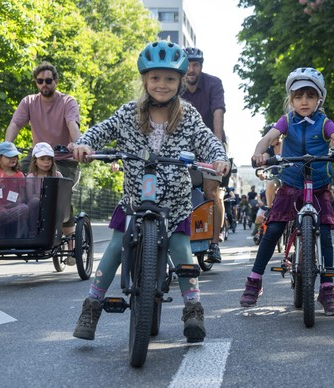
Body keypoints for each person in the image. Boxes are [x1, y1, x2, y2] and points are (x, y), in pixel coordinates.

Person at [71, 41, 229, 343]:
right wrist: (85, 144)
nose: (162, 85)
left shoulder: (189, 115)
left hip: (176, 202)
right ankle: (91, 307)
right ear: (145, 80)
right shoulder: (129, 113)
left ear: (181, 81)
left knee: (183, 252)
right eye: (155, 78)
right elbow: (100, 130)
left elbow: (208, 140)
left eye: (170, 79)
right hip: (134, 199)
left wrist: (218, 158)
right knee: (115, 247)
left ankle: (193, 309)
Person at [239, 67, 334, 316]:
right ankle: (255, 279)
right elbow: (267, 138)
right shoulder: (286, 121)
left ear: (319, 99)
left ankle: (327, 289)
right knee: (273, 229)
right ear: (291, 100)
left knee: (324, 232)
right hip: (291, 183)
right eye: (298, 96)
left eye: (310, 96)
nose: (304, 101)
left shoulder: (324, 123)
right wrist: (259, 152)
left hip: (318, 185)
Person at [4, 61, 81, 239]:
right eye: (40, 81)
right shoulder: (29, 102)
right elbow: (15, 124)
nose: (44, 84)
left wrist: (77, 144)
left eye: (48, 80)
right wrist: (7, 148)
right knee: (13, 174)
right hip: (37, 154)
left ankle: (69, 237)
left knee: (59, 186)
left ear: (56, 81)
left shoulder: (68, 101)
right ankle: (17, 217)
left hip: (63, 157)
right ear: (36, 83)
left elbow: (72, 124)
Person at [182, 47, 227, 263]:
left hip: (210, 143)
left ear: (201, 66)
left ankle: (215, 243)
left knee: (211, 190)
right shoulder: (176, 84)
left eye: (195, 65)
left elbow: (218, 113)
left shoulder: (213, 84)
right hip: (184, 145)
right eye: (188, 65)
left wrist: (217, 150)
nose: (191, 69)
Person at [26, 142, 66, 241]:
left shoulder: (57, 175)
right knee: (35, 201)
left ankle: (56, 231)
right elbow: (29, 196)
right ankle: (33, 231)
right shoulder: (31, 177)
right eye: (42, 159)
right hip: (37, 206)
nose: (46, 162)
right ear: (35, 161)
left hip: (53, 205)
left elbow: (62, 194)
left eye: (49, 159)